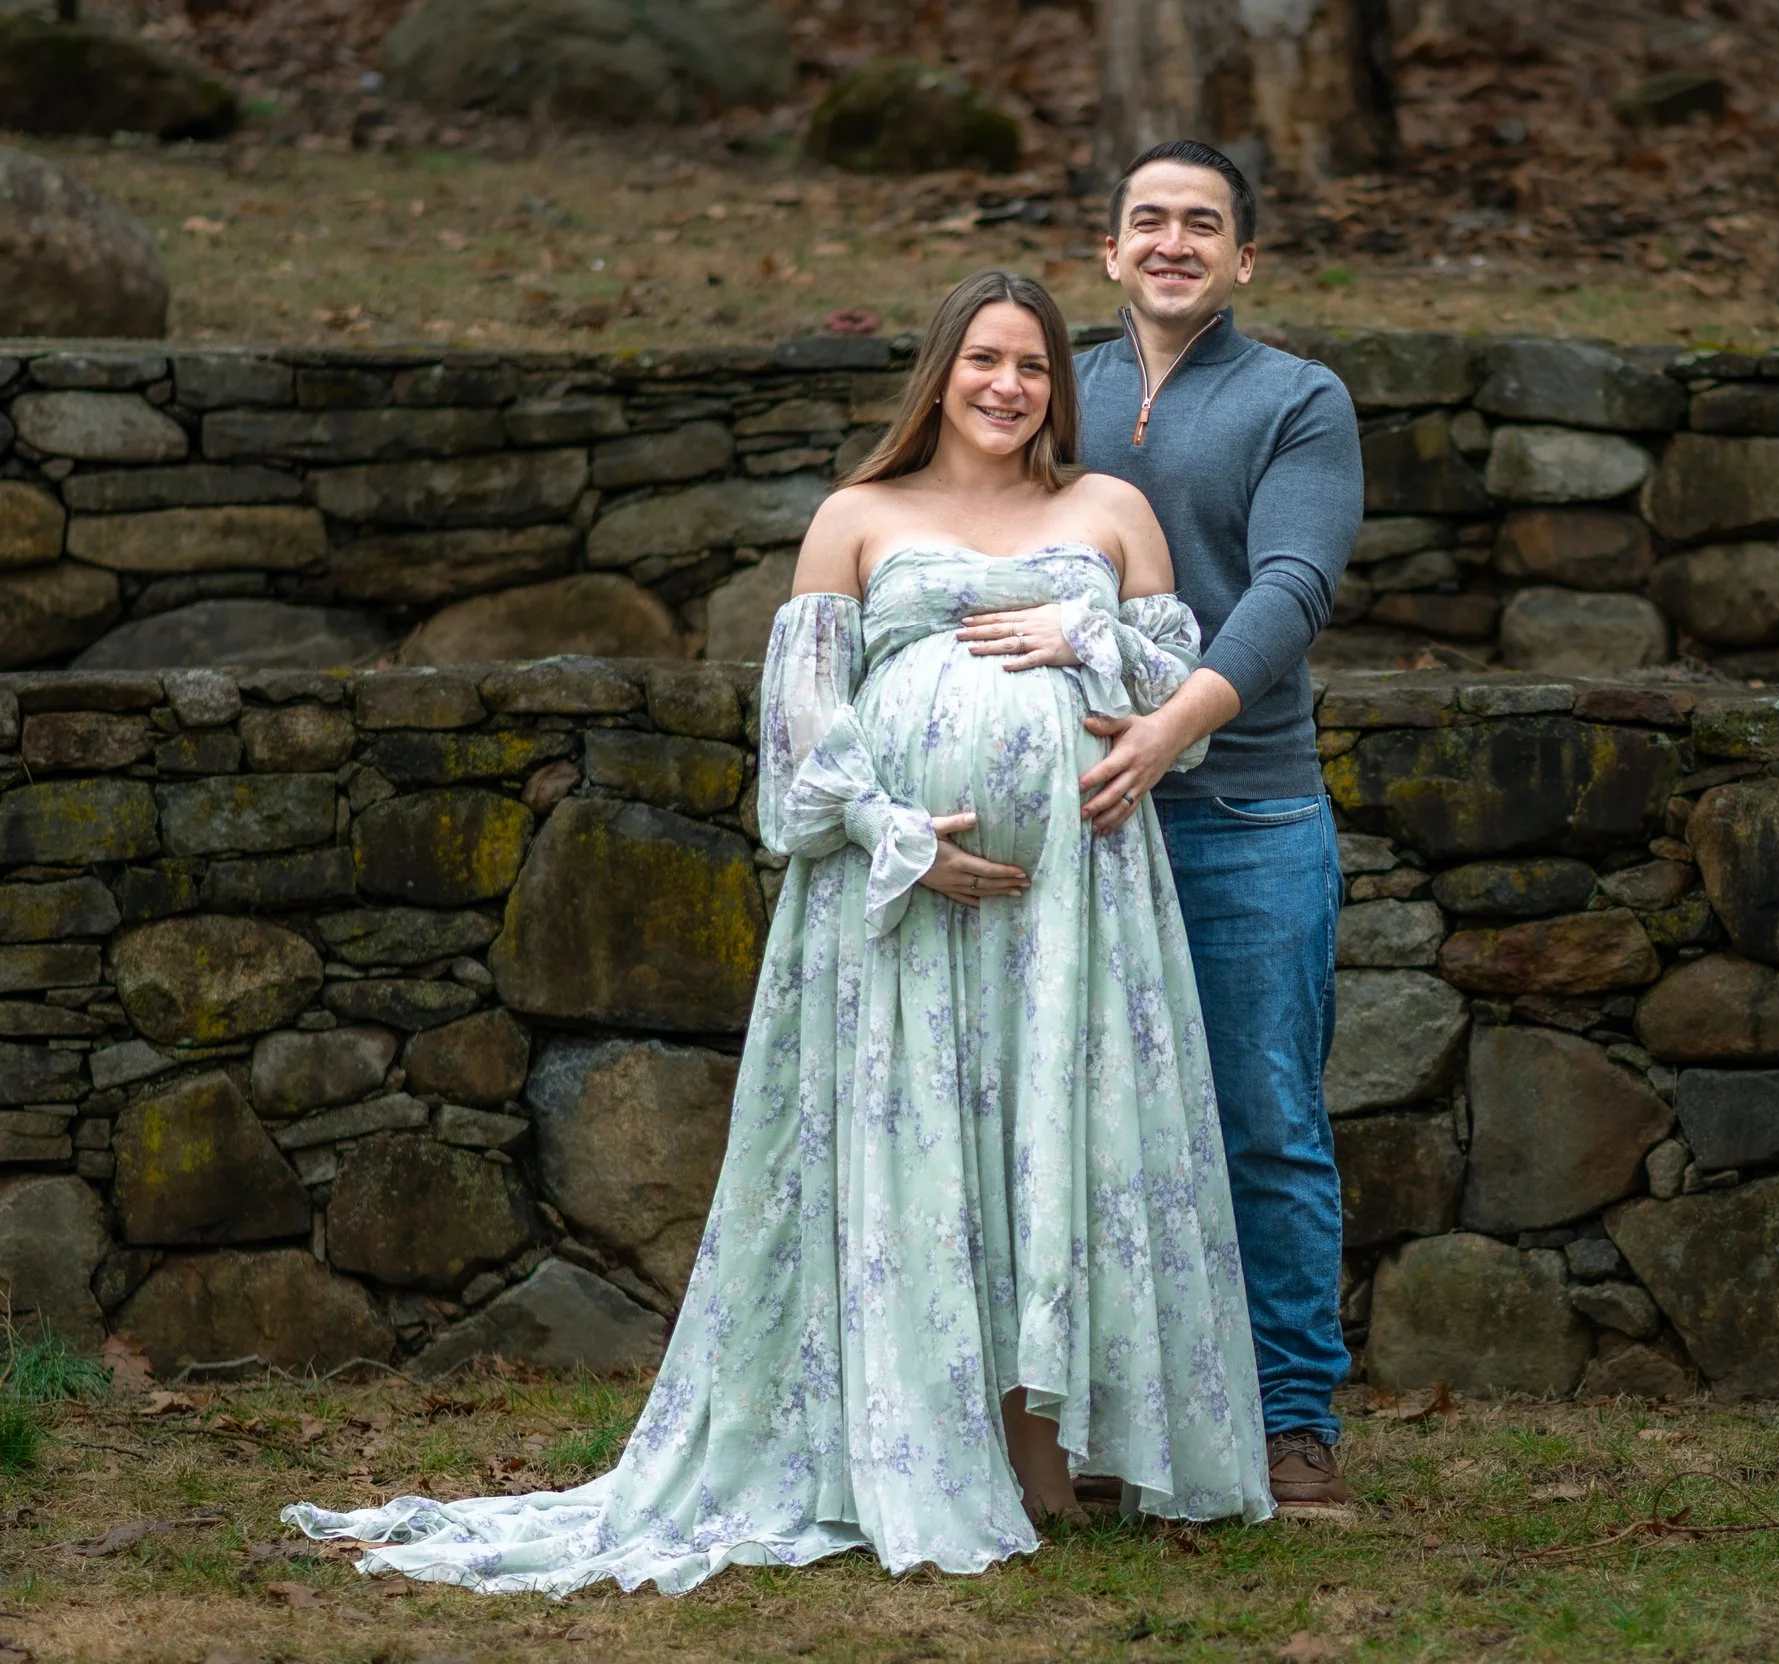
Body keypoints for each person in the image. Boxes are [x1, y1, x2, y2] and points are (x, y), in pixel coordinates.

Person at [280, 270, 1272, 1592]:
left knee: (1060, 1142)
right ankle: (931, 1438)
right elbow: (798, 739)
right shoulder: (857, 519)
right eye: (984, 359)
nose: (1008, 386)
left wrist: (1084, 628)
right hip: (896, 909)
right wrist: (903, 835)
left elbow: (1179, 684)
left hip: (1080, 912)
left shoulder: (1110, 510)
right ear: (939, 372)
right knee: (928, 1158)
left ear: (1061, 386)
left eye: (1033, 365)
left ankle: (1046, 1441)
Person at [1068, 141, 1366, 1509]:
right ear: (1109, 249)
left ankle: (1290, 1422)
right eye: (1149, 221)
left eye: (1204, 224)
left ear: (1246, 257)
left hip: (1245, 813)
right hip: (1076, 818)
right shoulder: (1052, 388)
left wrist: (1170, 729)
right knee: (1082, 1127)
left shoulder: (1300, 400)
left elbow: (1294, 584)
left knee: (1263, 1127)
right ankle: (1101, 1428)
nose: (1173, 240)